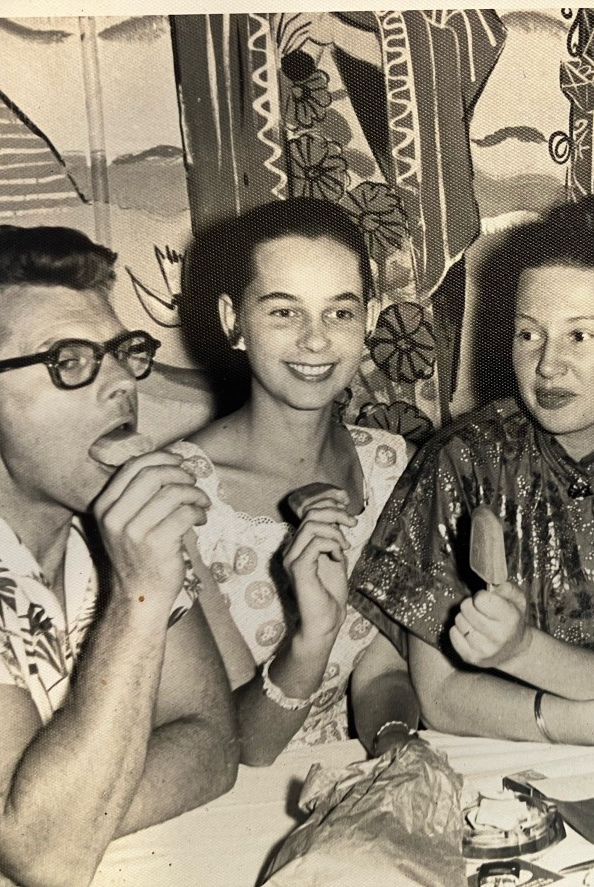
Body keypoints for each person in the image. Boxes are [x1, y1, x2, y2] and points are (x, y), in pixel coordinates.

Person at [0, 226, 237, 886]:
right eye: (71, 360)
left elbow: (210, 738)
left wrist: (34, 835)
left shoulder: (105, 509)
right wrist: (140, 598)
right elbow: (52, 856)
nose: (121, 382)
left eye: (123, 352)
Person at [352, 195, 594, 744]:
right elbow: (437, 695)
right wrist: (591, 720)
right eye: (529, 334)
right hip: (487, 755)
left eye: (579, 335)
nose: (547, 365)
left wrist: (521, 651)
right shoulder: (462, 458)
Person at [175, 197, 419, 763]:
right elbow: (235, 744)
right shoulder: (180, 496)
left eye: (340, 312)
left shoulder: (392, 467)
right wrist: (312, 637)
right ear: (233, 319)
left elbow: (381, 668)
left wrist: (393, 750)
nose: (315, 340)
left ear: (373, 320)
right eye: (284, 311)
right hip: (227, 797)